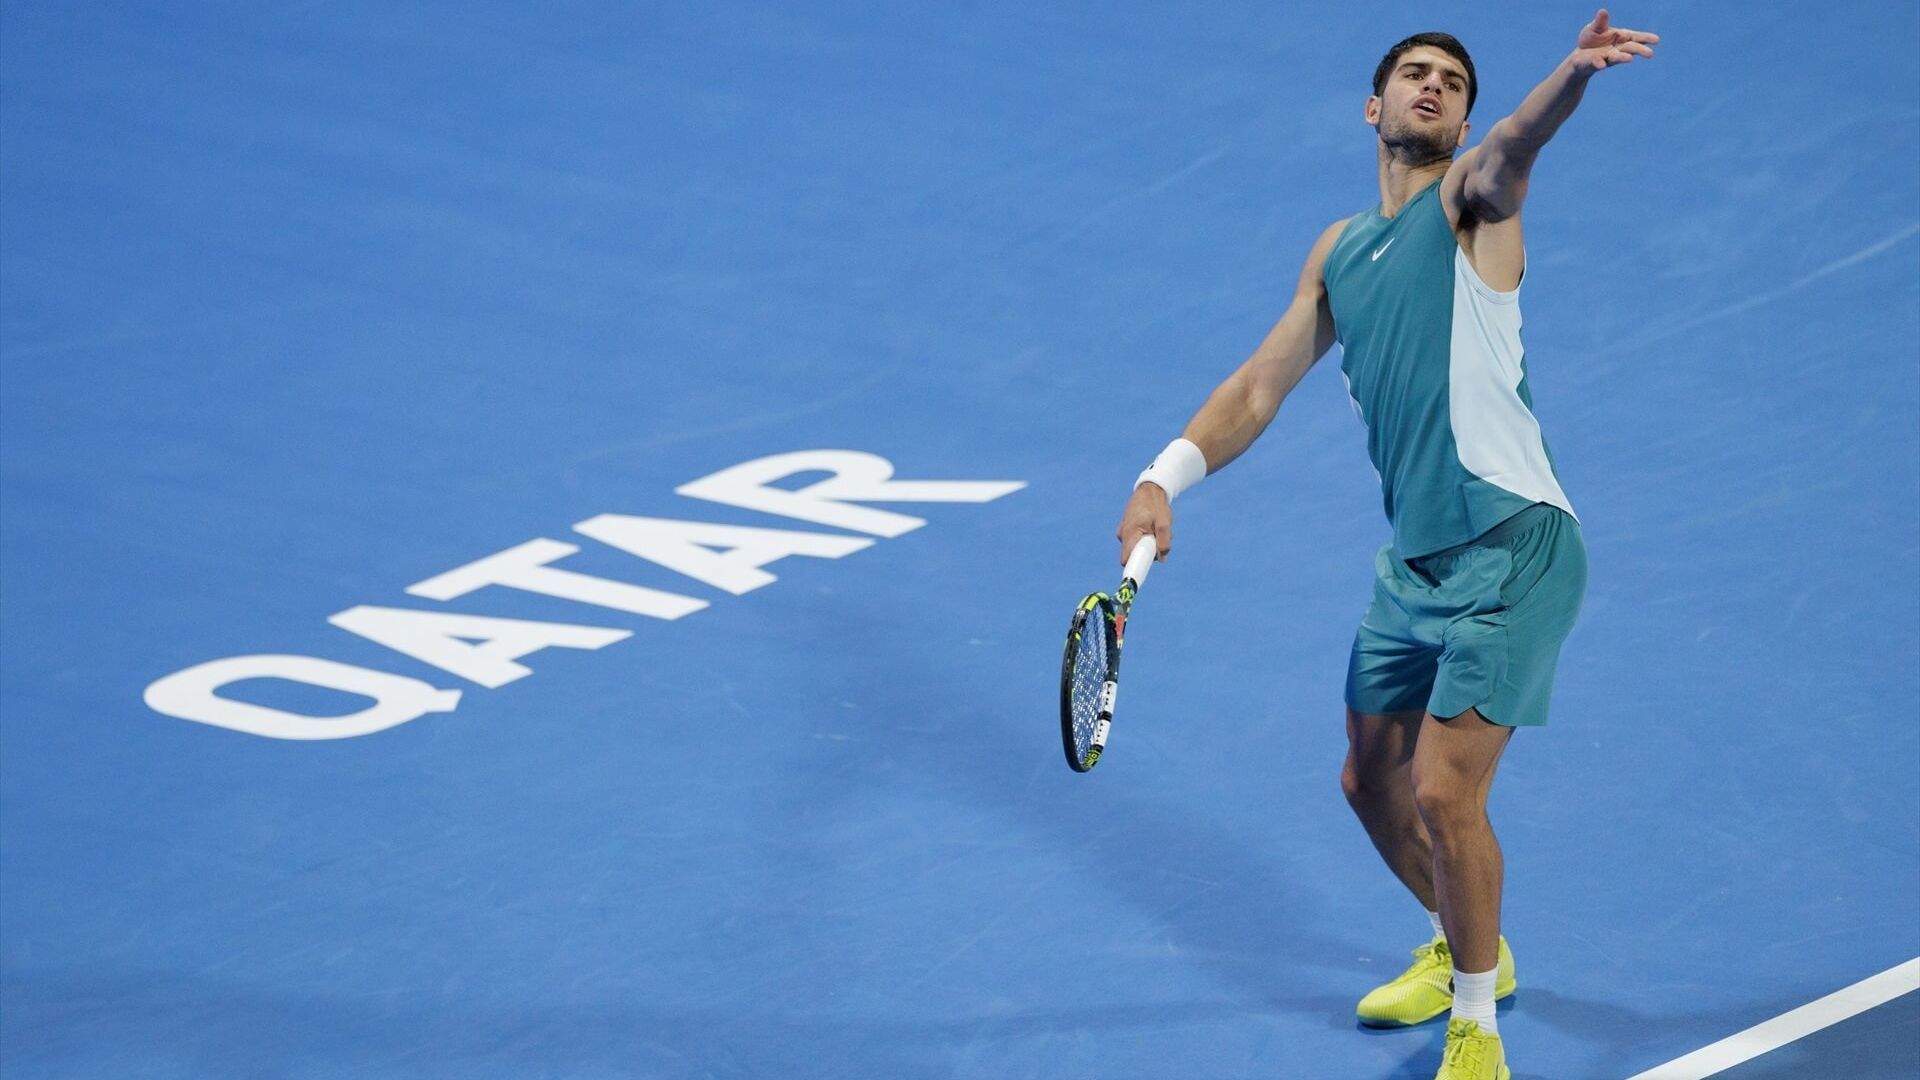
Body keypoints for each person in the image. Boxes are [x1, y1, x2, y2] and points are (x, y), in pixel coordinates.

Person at [1113, 11, 1659, 1079]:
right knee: (1372, 783)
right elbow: (1259, 386)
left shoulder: (1473, 206)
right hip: (1414, 565)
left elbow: (1517, 144)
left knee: (1447, 793)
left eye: (1451, 81)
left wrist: (1570, 78)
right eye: (1412, 73)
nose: (1433, 87)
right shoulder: (1342, 249)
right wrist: (1160, 477)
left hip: (1517, 549)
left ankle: (1474, 1024)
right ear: (1374, 106)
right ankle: (1476, 950)